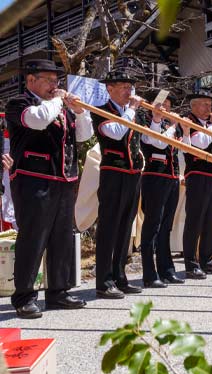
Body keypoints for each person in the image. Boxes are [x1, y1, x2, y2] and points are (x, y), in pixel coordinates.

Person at [5, 59, 93, 318]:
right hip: (33, 178)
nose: (55, 86)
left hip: (63, 181)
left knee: (61, 238)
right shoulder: (19, 103)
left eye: (57, 81)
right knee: (33, 238)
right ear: (31, 80)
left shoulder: (60, 109)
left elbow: (84, 136)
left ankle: (58, 291)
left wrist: (78, 111)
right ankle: (24, 296)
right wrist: (59, 100)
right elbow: (38, 120)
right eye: (49, 80)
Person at [91, 70, 145, 299]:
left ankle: (119, 276)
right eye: (123, 86)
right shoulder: (101, 111)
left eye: (130, 87)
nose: (128, 91)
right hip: (113, 173)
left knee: (126, 228)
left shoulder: (133, 114)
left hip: (132, 174)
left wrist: (158, 118)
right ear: (109, 89)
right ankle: (103, 281)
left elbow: (149, 138)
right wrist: (132, 110)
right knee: (109, 228)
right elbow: (115, 133)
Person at [138, 93, 189, 288]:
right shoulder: (146, 121)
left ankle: (167, 270)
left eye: (168, 104)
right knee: (153, 225)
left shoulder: (171, 127)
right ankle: (149, 274)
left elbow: (185, 149)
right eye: (161, 104)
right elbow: (158, 142)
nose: (166, 108)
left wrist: (184, 131)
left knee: (167, 225)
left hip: (172, 177)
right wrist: (174, 126)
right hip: (154, 177)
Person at [182, 91, 212, 279]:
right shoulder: (189, 122)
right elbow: (200, 144)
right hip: (197, 175)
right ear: (194, 106)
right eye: (204, 104)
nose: (209, 108)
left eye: (210, 104)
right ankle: (190, 263)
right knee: (195, 220)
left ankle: (207, 259)